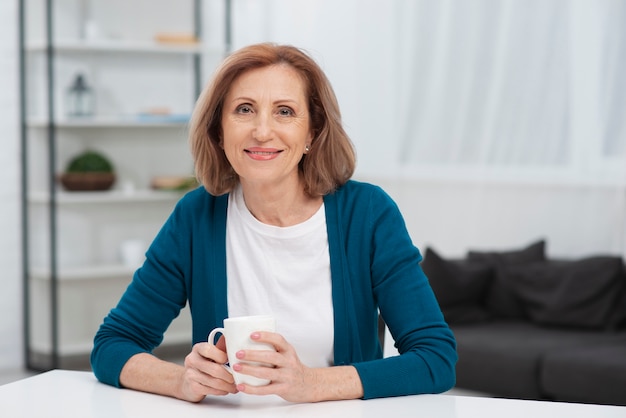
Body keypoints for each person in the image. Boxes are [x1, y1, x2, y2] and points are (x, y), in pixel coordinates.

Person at [91, 42, 457, 403]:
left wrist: (312, 384)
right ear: (219, 131)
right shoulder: (196, 217)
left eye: (284, 111)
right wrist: (182, 381)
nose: (262, 131)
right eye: (244, 109)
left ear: (312, 132)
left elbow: (435, 359)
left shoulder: (368, 214)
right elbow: (112, 345)